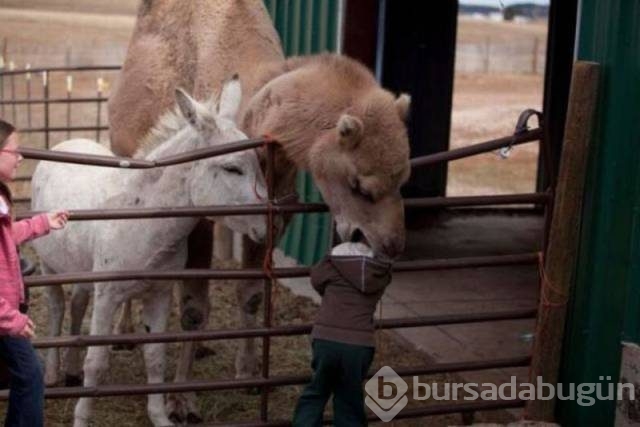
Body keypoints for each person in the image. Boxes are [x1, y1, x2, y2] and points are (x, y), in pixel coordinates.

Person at [0, 119, 69, 427]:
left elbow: (4, 236)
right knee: (30, 373)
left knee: (29, 373)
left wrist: (42, 223)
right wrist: (12, 320)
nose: (20, 157)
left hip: (5, 315)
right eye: (15, 150)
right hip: (4, 316)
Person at [292, 241, 393, 427]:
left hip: (326, 340)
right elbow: (387, 272)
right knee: (349, 397)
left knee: (316, 392)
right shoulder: (377, 273)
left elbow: (316, 277)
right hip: (359, 344)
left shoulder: (331, 266)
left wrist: (330, 256)